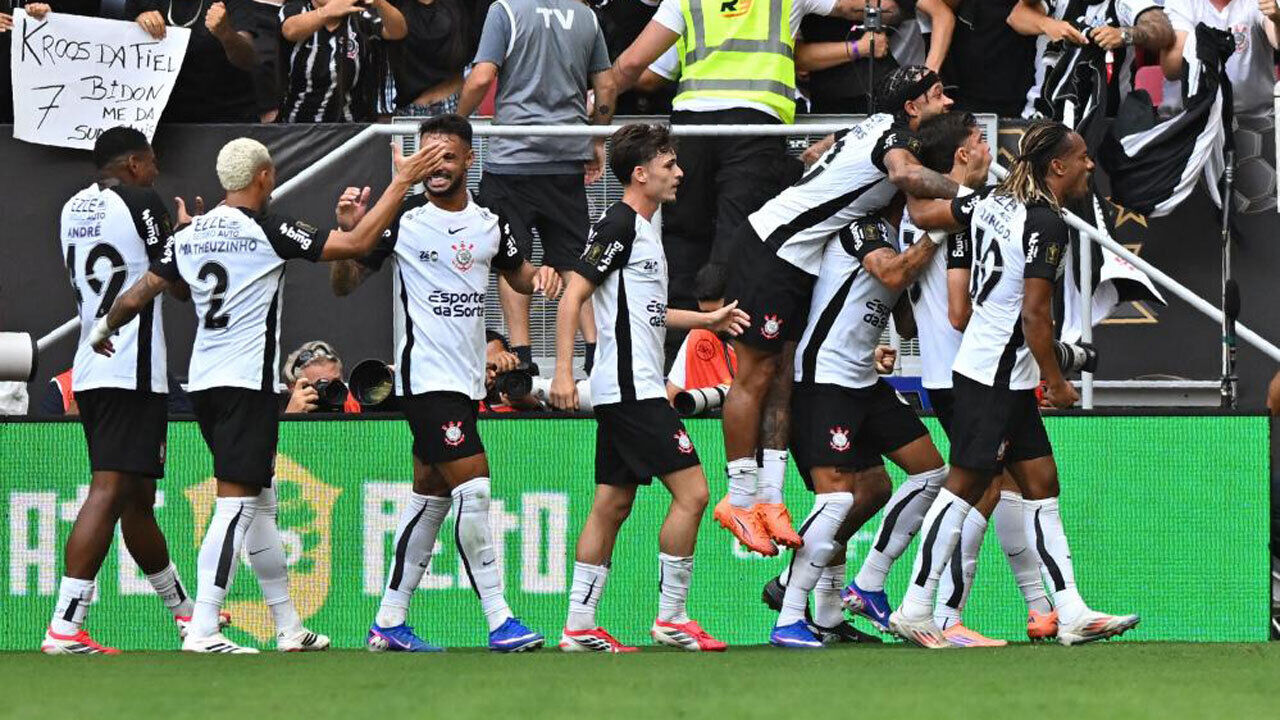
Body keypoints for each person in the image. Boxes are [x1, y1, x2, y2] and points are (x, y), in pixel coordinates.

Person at [92, 135, 447, 652]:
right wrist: (401, 182)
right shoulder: (266, 227)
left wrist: (104, 328)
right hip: (245, 385)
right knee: (235, 507)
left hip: (207, 384)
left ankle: (287, 626)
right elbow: (352, 246)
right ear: (263, 177)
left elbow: (145, 288)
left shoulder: (189, 233)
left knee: (259, 503)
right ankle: (204, 627)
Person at [892, 119, 1140, 647]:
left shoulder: (991, 203)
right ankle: (915, 605)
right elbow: (1034, 315)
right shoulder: (1046, 221)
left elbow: (921, 212)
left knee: (1041, 483)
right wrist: (1058, 383)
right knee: (962, 489)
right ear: (1057, 166)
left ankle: (1070, 609)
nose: (1090, 165)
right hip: (996, 376)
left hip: (996, 369)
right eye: (1081, 158)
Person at [329, 114, 560, 653]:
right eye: (427, 156)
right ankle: (501, 619)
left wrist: (542, 276)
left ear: (468, 161)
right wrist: (345, 230)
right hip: (426, 380)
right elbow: (343, 283)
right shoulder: (403, 220)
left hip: (465, 381)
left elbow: (517, 272)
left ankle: (389, 621)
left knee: (430, 500)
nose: (435, 166)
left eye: (446, 157)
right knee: (474, 487)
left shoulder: (489, 222)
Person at [711, 65, 960, 558]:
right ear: (911, 108)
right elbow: (904, 174)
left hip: (793, 253)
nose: (946, 103)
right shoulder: (891, 138)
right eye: (937, 95)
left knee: (779, 372)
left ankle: (771, 499)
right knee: (755, 375)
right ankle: (739, 498)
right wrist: (971, 196)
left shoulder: (867, 127)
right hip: (774, 246)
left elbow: (815, 152)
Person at [548, 124, 748, 653]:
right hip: (633, 390)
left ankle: (578, 626)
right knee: (695, 493)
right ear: (640, 173)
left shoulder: (644, 228)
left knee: (611, 505)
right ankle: (672, 618)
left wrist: (709, 321)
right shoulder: (620, 225)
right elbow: (573, 296)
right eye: (668, 164)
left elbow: (649, 313)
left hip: (627, 389)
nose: (679, 172)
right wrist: (566, 371)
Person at [609, 0, 879, 337]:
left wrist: (598, 108)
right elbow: (859, 7)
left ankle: (680, 355)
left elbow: (632, 62)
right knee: (741, 240)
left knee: (683, 237)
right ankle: (729, 359)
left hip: (693, 129)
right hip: (755, 125)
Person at [892, 110, 1057, 646]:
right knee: (978, 490)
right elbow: (959, 311)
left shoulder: (948, 213)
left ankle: (1040, 609)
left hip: (964, 370)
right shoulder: (962, 218)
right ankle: (941, 614)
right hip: (971, 371)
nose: (991, 149)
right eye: (982, 141)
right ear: (962, 155)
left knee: (1008, 485)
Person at [42, 127, 197, 655]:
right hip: (130, 366)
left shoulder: (71, 208)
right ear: (133, 163)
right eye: (152, 162)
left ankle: (185, 615)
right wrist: (180, 235)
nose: (156, 171)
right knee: (109, 490)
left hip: (91, 364)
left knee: (138, 500)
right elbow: (173, 283)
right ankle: (65, 626)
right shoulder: (140, 199)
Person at [458, 0, 616, 374]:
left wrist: (453, 123)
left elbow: (482, 77)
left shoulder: (506, 10)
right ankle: (594, 356)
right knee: (576, 262)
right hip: (565, 160)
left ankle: (523, 360)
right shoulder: (586, 16)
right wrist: (595, 136)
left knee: (513, 259)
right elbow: (606, 85)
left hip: (512, 159)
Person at [1008, 0, 1175, 119]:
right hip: (1043, 115)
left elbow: (1164, 30)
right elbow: (1015, 16)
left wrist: (1124, 35)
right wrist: (1048, 24)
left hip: (1105, 120)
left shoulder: (1125, 3)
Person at [129, 0, 261, 122]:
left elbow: (248, 59)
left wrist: (225, 33)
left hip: (224, 116)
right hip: (162, 120)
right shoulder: (143, 3)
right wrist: (136, 26)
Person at [279, 0, 408, 122]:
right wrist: (327, 11)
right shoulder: (296, 9)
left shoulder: (359, 14)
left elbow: (398, 31)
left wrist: (381, 3)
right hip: (297, 126)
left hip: (351, 124)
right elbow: (289, 30)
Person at [664, 263, 737, 403]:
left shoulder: (757, 341)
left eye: (718, 313)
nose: (714, 322)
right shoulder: (697, 335)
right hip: (699, 423)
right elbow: (671, 399)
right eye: (706, 315)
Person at [282, 340, 362, 413]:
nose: (331, 391)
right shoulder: (273, 417)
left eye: (336, 382)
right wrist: (290, 418)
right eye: (322, 384)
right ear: (293, 388)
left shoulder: (354, 405)